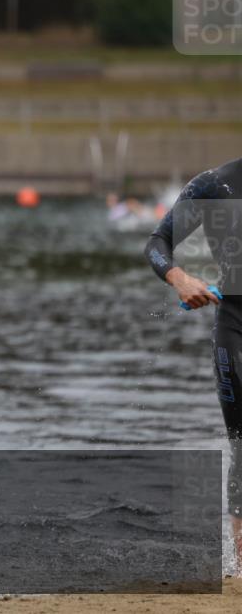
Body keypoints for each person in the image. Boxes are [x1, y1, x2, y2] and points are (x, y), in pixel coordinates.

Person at [144, 157, 242, 568]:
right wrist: (180, 279)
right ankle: (240, 567)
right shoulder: (217, 186)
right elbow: (157, 243)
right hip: (237, 328)